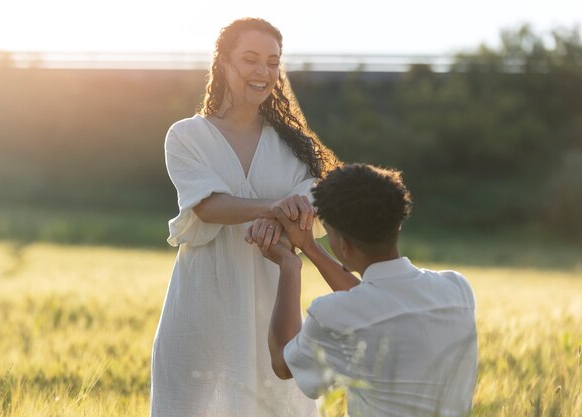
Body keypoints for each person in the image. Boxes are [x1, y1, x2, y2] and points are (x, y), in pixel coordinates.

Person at [150, 17, 340, 417]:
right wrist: (275, 207)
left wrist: (289, 213)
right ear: (222, 63)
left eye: (272, 62)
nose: (263, 72)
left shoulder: (295, 146)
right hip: (203, 301)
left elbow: (309, 211)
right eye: (250, 59)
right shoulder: (186, 136)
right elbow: (207, 205)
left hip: (275, 306)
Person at [252, 164, 477, 417]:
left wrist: (290, 266)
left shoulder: (334, 313)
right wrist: (310, 247)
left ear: (344, 246)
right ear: (397, 224)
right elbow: (376, 303)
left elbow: (283, 364)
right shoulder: (457, 289)